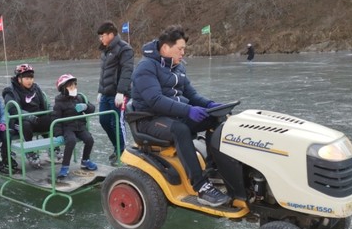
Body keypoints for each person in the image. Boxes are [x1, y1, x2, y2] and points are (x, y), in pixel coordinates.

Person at [131, 25, 231, 207]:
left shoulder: (178, 68)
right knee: (181, 130)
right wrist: (188, 111)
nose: (183, 53)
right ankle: (201, 187)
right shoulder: (146, 67)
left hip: (174, 115)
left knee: (216, 120)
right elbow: (155, 100)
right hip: (149, 119)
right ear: (165, 48)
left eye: (184, 49)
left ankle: (213, 170)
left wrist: (210, 105)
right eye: (180, 49)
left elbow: (192, 95)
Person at [2, 64, 62, 169]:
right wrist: (29, 116)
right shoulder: (10, 91)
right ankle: (29, 151)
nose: (30, 81)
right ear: (19, 79)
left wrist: (53, 110)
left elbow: (44, 104)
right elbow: (13, 110)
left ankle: (53, 147)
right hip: (19, 120)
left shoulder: (35, 88)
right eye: (26, 78)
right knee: (25, 124)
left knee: (52, 119)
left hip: (37, 117)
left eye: (31, 78)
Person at [96, 21, 134, 166]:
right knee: (104, 121)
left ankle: (123, 152)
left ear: (111, 34)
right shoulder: (105, 51)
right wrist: (100, 91)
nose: (101, 39)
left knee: (118, 123)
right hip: (106, 93)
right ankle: (117, 147)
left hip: (119, 94)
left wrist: (121, 92)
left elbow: (127, 71)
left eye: (102, 36)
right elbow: (104, 73)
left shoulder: (125, 49)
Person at [52, 74, 97, 179]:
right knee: (71, 141)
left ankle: (85, 160)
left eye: (74, 86)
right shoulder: (59, 103)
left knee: (89, 139)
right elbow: (55, 118)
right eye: (70, 86)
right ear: (63, 89)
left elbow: (92, 108)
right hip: (68, 127)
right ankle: (65, 166)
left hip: (80, 126)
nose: (73, 88)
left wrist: (86, 106)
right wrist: (58, 134)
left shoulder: (80, 98)